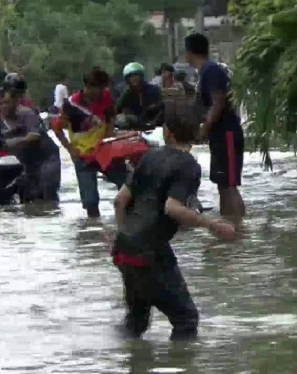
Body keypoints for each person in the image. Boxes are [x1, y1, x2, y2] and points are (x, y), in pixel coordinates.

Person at [108, 95, 236, 340]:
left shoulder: (148, 157)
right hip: (152, 252)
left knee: (135, 323)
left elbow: (119, 201)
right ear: (196, 132)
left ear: (167, 131)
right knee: (186, 320)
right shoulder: (188, 166)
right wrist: (211, 224)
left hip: (124, 249)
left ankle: (124, 359)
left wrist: (122, 233)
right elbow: (172, 208)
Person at [185, 33, 246, 220]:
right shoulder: (205, 71)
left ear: (189, 52)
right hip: (219, 134)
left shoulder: (211, 70)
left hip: (226, 133)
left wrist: (204, 129)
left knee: (229, 185)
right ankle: (230, 229)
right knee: (222, 183)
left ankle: (240, 229)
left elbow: (218, 102)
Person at [51, 67, 126, 218]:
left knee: (127, 183)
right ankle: (94, 232)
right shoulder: (71, 105)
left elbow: (110, 118)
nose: (101, 91)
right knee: (91, 202)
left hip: (104, 151)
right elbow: (57, 129)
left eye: (103, 87)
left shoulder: (106, 97)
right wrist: (71, 151)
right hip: (83, 156)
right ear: (88, 86)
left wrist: (110, 139)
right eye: (98, 87)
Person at [0, 88, 61, 201]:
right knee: (28, 197)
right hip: (26, 161)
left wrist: (8, 142)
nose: (4, 106)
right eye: (0, 103)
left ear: (16, 101)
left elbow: (34, 136)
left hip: (46, 158)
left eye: (7, 102)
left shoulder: (27, 114)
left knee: (47, 194)